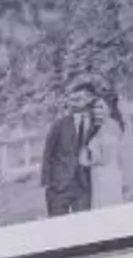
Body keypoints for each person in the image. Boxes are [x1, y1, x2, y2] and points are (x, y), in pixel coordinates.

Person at [38, 84, 101, 217]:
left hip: (83, 185)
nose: (74, 103)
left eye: (79, 99)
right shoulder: (60, 124)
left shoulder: (96, 123)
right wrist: (49, 183)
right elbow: (47, 153)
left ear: (90, 99)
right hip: (60, 186)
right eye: (73, 99)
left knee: (83, 224)